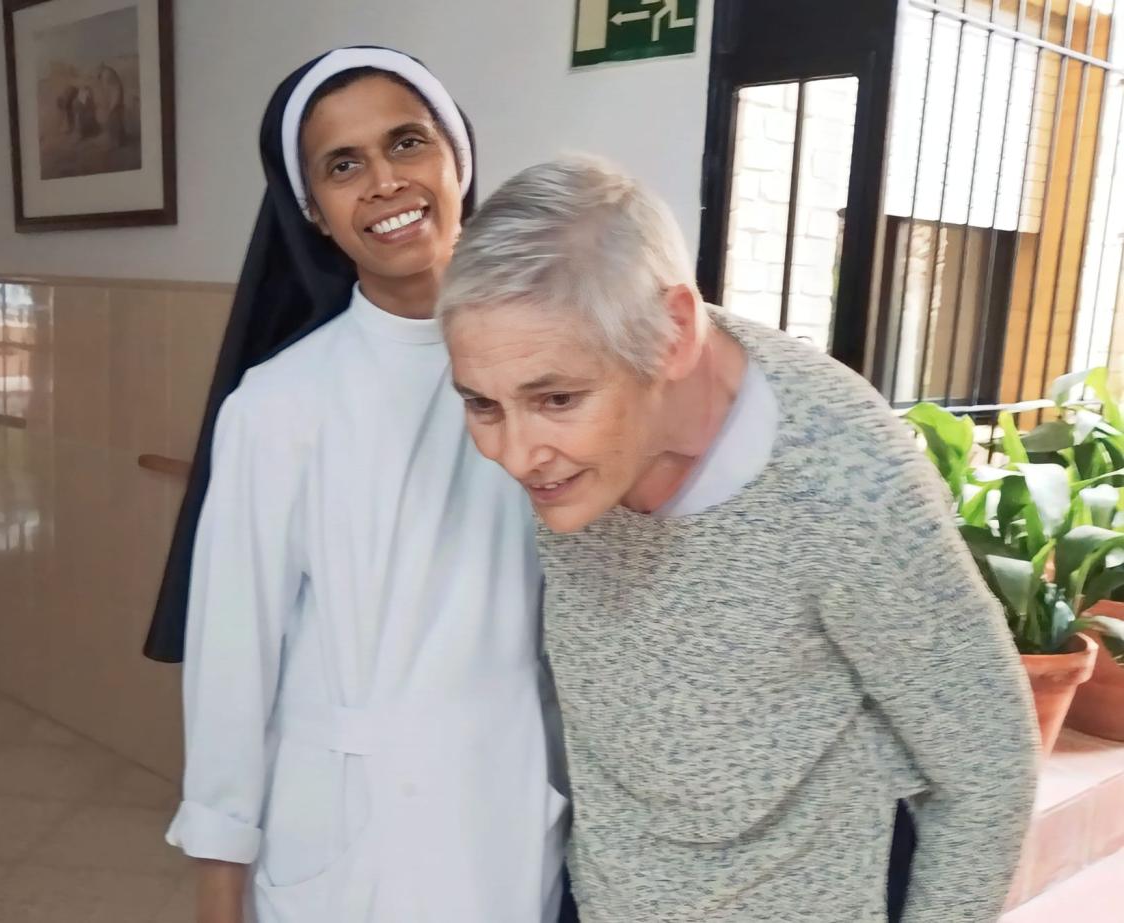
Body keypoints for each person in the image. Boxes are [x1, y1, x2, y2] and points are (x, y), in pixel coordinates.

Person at [437, 155, 1039, 923]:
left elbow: (989, 764)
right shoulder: (566, 411)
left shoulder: (844, 477)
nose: (516, 455)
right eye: (482, 406)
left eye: (556, 399)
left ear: (675, 334)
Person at [153, 48, 568, 923]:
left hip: (507, 801)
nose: (384, 181)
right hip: (343, 823)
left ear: (458, 161)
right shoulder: (278, 404)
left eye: (407, 143)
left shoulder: (560, 369)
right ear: (314, 212)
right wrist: (219, 876)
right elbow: (234, 653)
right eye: (343, 165)